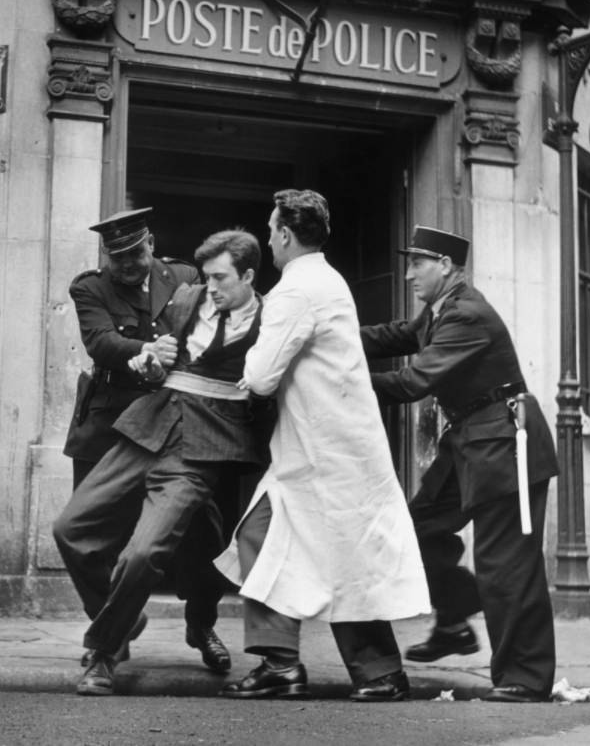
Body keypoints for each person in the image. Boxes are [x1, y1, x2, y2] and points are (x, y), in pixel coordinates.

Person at [216, 190, 430, 703]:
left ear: (286, 234)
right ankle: (352, 670)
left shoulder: (295, 290)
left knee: (288, 545)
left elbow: (262, 376)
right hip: (330, 446)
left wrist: (249, 371)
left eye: (271, 230)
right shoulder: (327, 279)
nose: (268, 238)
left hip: (321, 452)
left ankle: (300, 667)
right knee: (320, 554)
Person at [55, 229, 272, 696]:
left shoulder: (272, 318)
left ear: (248, 276)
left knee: (144, 553)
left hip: (202, 448)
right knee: (72, 529)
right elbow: (157, 364)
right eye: (207, 277)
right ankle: (125, 617)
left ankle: (103, 653)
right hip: (147, 429)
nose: (210, 288)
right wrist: (150, 363)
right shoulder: (187, 298)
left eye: (220, 278)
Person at [360, 225, 559, 704]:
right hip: (471, 438)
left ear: (445, 266)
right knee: (418, 528)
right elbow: (394, 336)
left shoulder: (466, 314)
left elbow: (412, 383)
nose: (408, 274)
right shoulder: (439, 312)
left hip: (504, 441)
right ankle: (453, 618)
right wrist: (327, 335)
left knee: (506, 564)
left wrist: (335, 380)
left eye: (417, 264)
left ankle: (525, 678)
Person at [64, 208, 227, 670]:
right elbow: (99, 341)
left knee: (203, 536)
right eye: (118, 256)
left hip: (176, 425)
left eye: (134, 252)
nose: (127, 264)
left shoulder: (184, 277)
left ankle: (201, 624)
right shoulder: (89, 287)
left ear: (150, 243)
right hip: (110, 426)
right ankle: (112, 633)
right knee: (90, 538)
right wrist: (144, 351)